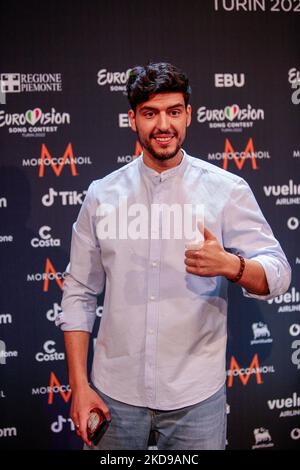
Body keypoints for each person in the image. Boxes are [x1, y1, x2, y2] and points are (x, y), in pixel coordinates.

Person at [56, 62, 291, 450]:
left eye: (173, 112)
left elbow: (280, 272)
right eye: (150, 113)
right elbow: (78, 292)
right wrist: (79, 387)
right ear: (132, 119)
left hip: (196, 400)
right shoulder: (102, 195)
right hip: (114, 396)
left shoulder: (226, 190)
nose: (163, 125)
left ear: (189, 115)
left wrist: (233, 266)